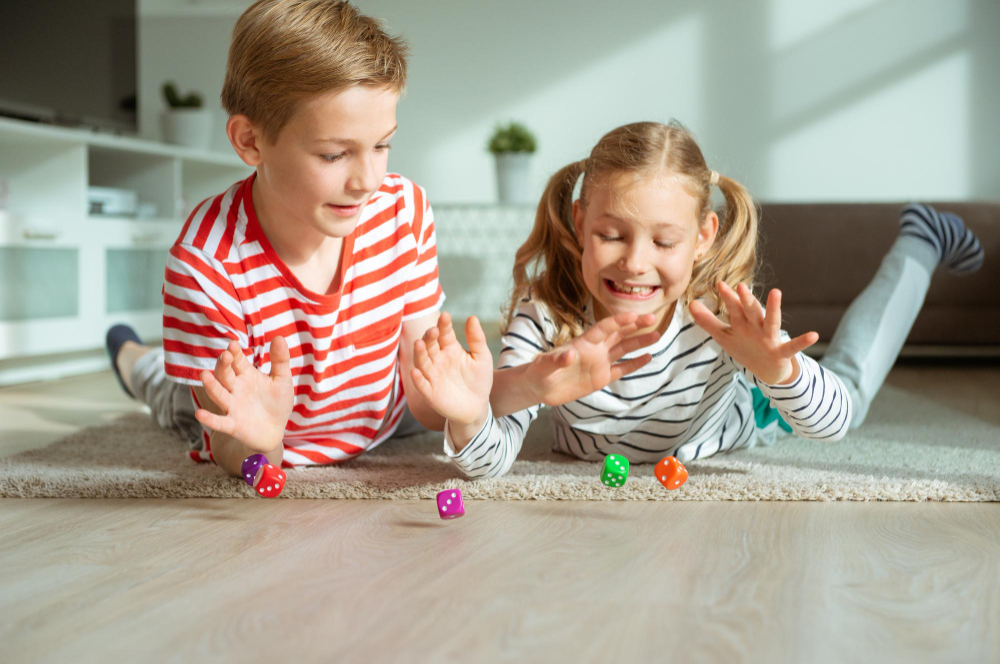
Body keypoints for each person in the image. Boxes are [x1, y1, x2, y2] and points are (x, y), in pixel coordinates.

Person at [409, 120, 984, 479]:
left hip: (751, 415)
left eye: (663, 241)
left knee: (848, 385)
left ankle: (919, 243)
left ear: (703, 237)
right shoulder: (547, 315)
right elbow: (488, 459)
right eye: (611, 234)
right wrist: (470, 416)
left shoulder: (718, 312)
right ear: (580, 223)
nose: (635, 262)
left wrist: (776, 372)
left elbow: (831, 423)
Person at [106, 0, 456, 477]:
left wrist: (494, 393)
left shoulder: (404, 211)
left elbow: (427, 397)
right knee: (170, 393)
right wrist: (261, 444)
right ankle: (131, 355)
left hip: (380, 416)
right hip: (259, 419)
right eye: (334, 155)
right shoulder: (205, 264)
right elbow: (238, 453)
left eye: (381, 145)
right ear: (250, 141)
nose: (368, 180)